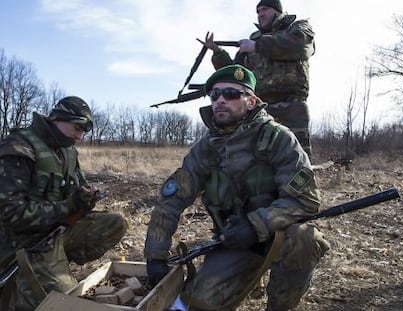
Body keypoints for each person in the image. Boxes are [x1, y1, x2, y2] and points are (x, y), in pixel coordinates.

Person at [144, 65, 329, 311]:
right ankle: (245, 275)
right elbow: (171, 200)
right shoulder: (205, 149)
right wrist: (155, 256)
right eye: (215, 95)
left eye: (231, 94)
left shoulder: (279, 139)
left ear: (251, 101)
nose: (220, 100)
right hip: (235, 243)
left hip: (278, 236)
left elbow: (305, 201)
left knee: (304, 238)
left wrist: (257, 225)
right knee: (194, 305)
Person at [0, 96, 128, 310]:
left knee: (116, 223)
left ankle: (53, 265)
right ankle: (23, 287)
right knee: (67, 303)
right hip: (25, 242)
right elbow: (11, 215)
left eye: (83, 132)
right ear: (58, 119)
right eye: (77, 128)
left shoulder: (67, 151)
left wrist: (86, 199)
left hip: (57, 230)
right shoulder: (18, 148)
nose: (80, 137)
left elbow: (78, 188)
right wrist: (68, 206)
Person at [202, 0, 315, 157]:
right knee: (258, 161)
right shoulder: (253, 40)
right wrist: (217, 52)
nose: (260, 14)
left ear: (278, 11)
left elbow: (300, 46)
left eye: (265, 9)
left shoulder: (298, 28)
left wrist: (256, 46)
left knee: (296, 157)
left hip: (290, 107)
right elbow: (238, 75)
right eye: (258, 11)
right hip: (258, 110)